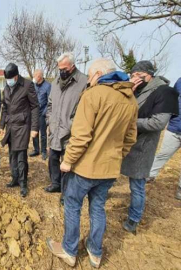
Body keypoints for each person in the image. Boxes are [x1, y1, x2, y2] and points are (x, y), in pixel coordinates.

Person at [46, 59, 138, 268]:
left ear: (98, 73)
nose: (89, 79)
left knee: (72, 205)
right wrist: (116, 157)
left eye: (90, 75)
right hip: (110, 169)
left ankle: (69, 250)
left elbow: (81, 137)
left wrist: (67, 161)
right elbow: (130, 138)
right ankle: (95, 252)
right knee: (97, 207)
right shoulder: (130, 100)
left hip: (85, 168)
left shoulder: (93, 95)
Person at [121, 61, 179, 234]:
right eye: (132, 76)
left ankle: (134, 217)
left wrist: (130, 123)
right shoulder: (135, 89)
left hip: (142, 146)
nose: (134, 79)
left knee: (137, 184)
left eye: (136, 76)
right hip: (124, 142)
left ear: (147, 75)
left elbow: (158, 123)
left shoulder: (165, 92)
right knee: (109, 173)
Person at [45, 52, 87, 193]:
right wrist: (49, 120)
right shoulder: (55, 82)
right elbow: (50, 104)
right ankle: (55, 184)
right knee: (53, 159)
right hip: (55, 129)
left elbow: (85, 109)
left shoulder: (83, 82)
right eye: (60, 69)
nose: (62, 71)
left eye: (65, 68)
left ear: (73, 65)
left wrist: (72, 124)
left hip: (70, 132)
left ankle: (66, 191)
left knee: (68, 164)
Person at [0, 63, 39, 197]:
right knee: (12, 155)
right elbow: (4, 108)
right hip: (11, 126)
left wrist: (34, 128)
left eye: (10, 79)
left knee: (21, 156)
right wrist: (1, 125)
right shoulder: (5, 88)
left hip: (22, 125)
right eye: (6, 79)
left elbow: (35, 107)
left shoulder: (27, 85)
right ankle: (15, 178)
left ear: (16, 77)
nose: (8, 81)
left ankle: (23, 183)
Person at [148, 78, 181, 200]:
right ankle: (149, 175)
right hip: (174, 128)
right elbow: (172, 100)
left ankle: (180, 189)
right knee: (162, 154)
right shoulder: (179, 82)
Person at [30, 69, 51, 160]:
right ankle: (36, 149)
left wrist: (44, 113)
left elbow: (50, 101)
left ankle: (43, 151)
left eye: (35, 76)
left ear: (39, 77)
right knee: (34, 132)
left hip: (43, 113)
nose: (33, 77)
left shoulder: (48, 86)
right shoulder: (33, 85)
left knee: (43, 133)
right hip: (34, 113)